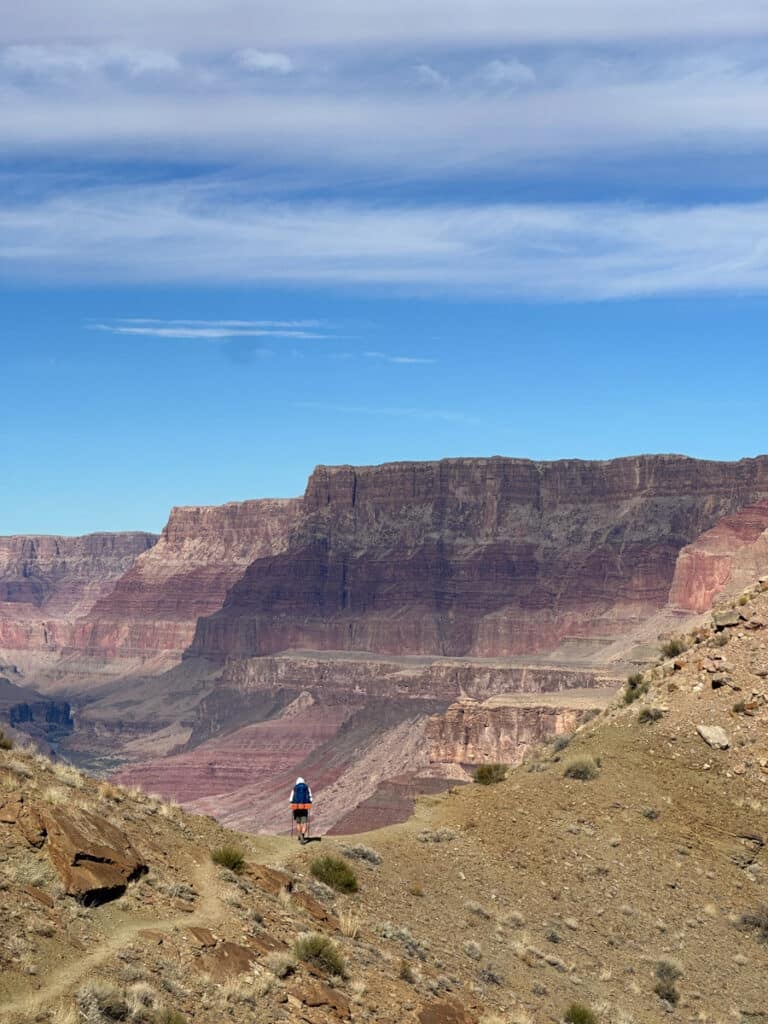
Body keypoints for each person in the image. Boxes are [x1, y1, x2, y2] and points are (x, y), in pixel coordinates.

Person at [290, 776, 313, 843]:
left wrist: (293, 802)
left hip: (296, 807)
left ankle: (300, 835)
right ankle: (303, 835)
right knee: (304, 822)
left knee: (298, 822)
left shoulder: (295, 788)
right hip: (304, 807)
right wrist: (308, 802)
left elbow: (291, 799)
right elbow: (311, 798)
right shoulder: (307, 787)